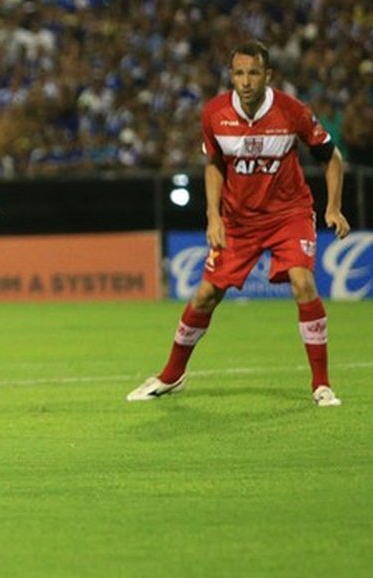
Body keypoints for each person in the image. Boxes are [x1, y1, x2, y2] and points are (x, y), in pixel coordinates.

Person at [127, 40, 350, 406]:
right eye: (239, 73)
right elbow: (214, 165)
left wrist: (334, 208)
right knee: (205, 295)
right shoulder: (214, 114)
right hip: (238, 221)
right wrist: (213, 217)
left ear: (268, 75)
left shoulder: (291, 111)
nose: (245, 81)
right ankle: (171, 375)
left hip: (287, 214)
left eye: (253, 73)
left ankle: (322, 385)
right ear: (231, 75)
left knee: (303, 282)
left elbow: (332, 157)